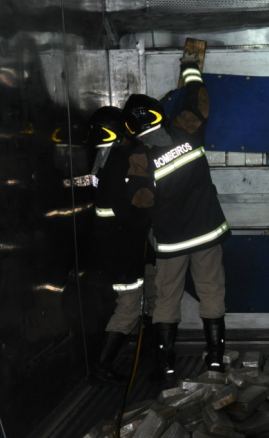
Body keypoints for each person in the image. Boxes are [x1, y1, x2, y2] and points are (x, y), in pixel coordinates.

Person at [124, 57, 231, 379]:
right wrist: (190, 70)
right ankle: (214, 358)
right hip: (206, 231)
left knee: (167, 298)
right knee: (211, 291)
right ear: (158, 115)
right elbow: (199, 100)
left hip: (171, 241)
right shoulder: (186, 128)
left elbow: (140, 200)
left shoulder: (139, 157)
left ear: (133, 127)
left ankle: (166, 362)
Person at [87, 106, 156, 384]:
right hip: (122, 247)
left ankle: (151, 355)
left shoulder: (107, 158)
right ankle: (102, 368)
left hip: (123, 245)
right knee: (129, 305)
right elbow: (126, 208)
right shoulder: (119, 160)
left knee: (152, 296)